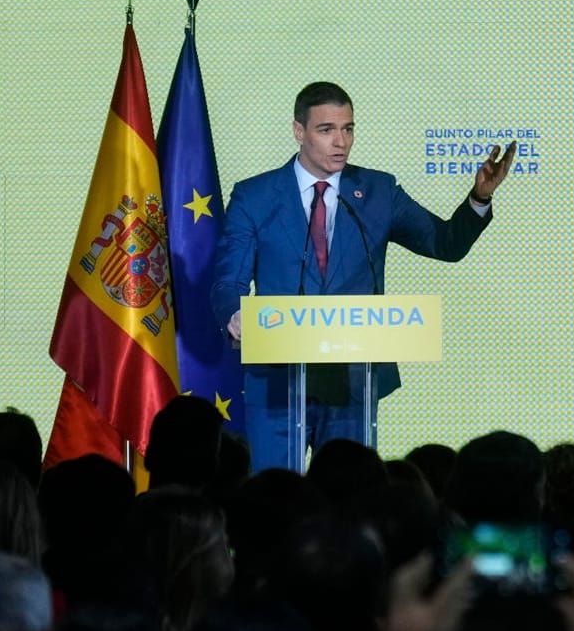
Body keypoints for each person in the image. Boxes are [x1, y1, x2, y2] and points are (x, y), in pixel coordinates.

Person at [211, 82, 516, 472]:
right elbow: (228, 282)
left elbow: (446, 244)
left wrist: (479, 198)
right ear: (299, 131)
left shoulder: (378, 192)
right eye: (326, 130)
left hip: (353, 379)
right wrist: (235, 315)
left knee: (348, 499)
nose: (341, 141)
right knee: (274, 500)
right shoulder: (254, 196)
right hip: (278, 380)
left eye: (348, 129)